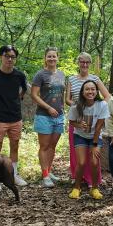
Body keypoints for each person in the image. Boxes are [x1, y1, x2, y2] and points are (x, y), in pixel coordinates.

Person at [65, 52, 110, 186]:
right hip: (77, 119)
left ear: (90, 64)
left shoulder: (95, 79)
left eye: (87, 62)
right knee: (76, 152)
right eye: (82, 62)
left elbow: (107, 96)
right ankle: (78, 177)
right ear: (78, 63)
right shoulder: (71, 79)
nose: (84, 64)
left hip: (94, 121)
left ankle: (92, 180)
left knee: (93, 153)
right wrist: (78, 107)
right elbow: (67, 99)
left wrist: (99, 108)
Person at [0, 45, 28, 186]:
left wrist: (17, 99)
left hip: (16, 117)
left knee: (14, 146)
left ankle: (13, 175)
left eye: (12, 57)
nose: (9, 59)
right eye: (7, 56)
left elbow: (24, 89)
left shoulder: (19, 75)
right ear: (1, 57)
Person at [68, 80, 110, 200]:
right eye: (87, 89)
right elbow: (71, 122)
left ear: (97, 91)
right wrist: (79, 124)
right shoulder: (76, 105)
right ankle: (77, 188)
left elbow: (98, 127)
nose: (90, 91)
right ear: (82, 92)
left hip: (95, 137)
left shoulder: (102, 105)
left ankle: (95, 188)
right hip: (80, 136)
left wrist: (95, 145)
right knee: (81, 162)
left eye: (92, 89)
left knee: (95, 162)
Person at [31, 47, 66, 188]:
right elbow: (34, 95)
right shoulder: (40, 74)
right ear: (45, 58)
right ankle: (45, 175)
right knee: (44, 146)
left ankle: (49, 171)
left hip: (59, 116)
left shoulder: (62, 74)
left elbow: (62, 95)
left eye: (54, 56)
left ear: (58, 58)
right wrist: (48, 107)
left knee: (52, 146)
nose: (52, 59)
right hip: (44, 116)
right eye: (49, 56)